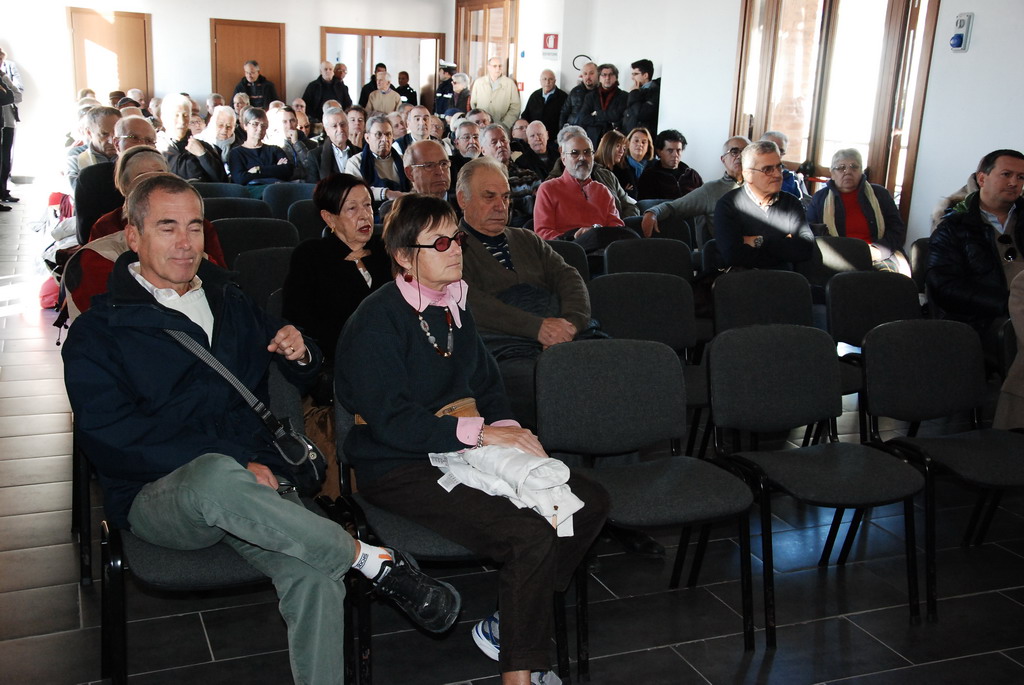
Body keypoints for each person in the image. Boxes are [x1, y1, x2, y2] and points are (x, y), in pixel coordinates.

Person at [63, 173, 462, 685]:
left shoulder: (228, 299)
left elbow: (297, 369)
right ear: (133, 237)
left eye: (194, 227)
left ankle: (348, 586)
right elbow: (112, 439)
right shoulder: (99, 332)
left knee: (315, 574)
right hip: (161, 494)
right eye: (167, 227)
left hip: (258, 484)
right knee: (213, 473)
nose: (185, 243)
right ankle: (369, 560)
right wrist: (234, 463)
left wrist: (302, 351)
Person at [335, 191, 608, 685]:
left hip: (456, 446)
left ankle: (512, 623)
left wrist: (511, 433)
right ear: (404, 257)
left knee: (586, 503)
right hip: (396, 465)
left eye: (457, 237)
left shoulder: (452, 303)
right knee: (528, 533)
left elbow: (487, 385)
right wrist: (482, 434)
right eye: (439, 242)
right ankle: (520, 671)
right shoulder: (376, 320)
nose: (456, 248)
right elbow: (393, 422)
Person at [282, 173, 390, 388]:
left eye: (367, 205)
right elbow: (300, 323)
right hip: (343, 364)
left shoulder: (385, 249)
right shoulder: (311, 256)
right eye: (352, 208)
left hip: (392, 356)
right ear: (329, 217)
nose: (364, 215)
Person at [928, 149, 1024, 351]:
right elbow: (945, 287)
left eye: (1021, 177)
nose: (1014, 183)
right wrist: (1007, 303)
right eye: (1006, 174)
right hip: (983, 320)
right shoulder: (953, 226)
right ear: (982, 178)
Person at [714, 140, 815, 270]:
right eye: (768, 169)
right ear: (748, 175)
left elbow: (806, 247)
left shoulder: (791, 203)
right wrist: (784, 244)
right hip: (743, 279)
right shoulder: (728, 205)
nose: (777, 174)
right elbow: (733, 255)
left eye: (779, 167)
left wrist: (756, 241)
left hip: (784, 279)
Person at [806, 148, 909, 273]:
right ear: (832, 174)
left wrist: (879, 250)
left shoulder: (880, 194)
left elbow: (896, 229)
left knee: (886, 278)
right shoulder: (819, 198)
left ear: (861, 171)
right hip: (836, 255)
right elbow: (811, 232)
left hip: (876, 255)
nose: (848, 171)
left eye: (854, 167)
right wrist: (839, 251)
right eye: (841, 168)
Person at [642, 135, 750, 242]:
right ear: (723, 159)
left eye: (745, 152)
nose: (740, 156)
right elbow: (674, 207)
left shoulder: (757, 187)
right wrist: (653, 213)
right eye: (734, 152)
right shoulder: (711, 190)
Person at [533, 127, 625, 244]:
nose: (582, 158)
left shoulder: (603, 190)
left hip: (602, 249)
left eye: (587, 152)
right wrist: (575, 238)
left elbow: (617, 228)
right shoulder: (548, 189)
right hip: (565, 250)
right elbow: (543, 233)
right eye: (575, 153)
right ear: (563, 158)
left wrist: (597, 235)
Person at [479, 124, 540, 227]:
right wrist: (526, 203)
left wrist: (512, 203)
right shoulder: (479, 180)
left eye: (504, 140)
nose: (500, 145)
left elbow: (542, 207)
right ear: (483, 150)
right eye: (494, 142)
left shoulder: (529, 176)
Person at [159, 93, 228, 183]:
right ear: (164, 117)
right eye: (176, 115)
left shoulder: (204, 146)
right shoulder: (156, 148)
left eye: (186, 115)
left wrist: (203, 155)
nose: (182, 121)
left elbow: (223, 182)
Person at [345, 114, 410, 204]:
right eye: (378, 134)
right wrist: (386, 193)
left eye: (388, 134)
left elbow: (415, 186)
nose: (384, 139)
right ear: (367, 138)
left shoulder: (404, 160)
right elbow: (354, 191)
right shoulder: (355, 162)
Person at [227, 107, 293, 187]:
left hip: (276, 191)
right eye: (255, 124)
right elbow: (240, 179)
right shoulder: (236, 153)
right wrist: (275, 169)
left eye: (263, 125)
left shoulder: (275, 150)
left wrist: (258, 169)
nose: (260, 129)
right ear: (245, 126)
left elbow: (288, 171)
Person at [637, 129, 703, 201]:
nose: (675, 155)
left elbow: (705, 199)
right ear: (659, 152)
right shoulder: (649, 176)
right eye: (670, 150)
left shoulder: (692, 175)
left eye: (678, 150)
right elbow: (644, 204)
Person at [67, 106, 121, 190]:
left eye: (116, 134)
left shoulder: (129, 153)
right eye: (104, 134)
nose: (111, 141)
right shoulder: (77, 156)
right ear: (89, 133)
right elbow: (77, 190)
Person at [578, 64, 627, 147]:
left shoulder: (624, 96)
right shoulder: (590, 96)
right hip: (593, 140)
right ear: (599, 78)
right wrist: (607, 120)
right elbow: (583, 118)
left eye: (611, 74)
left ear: (616, 77)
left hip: (613, 140)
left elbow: (618, 116)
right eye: (604, 75)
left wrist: (598, 114)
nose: (607, 78)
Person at [760, 131, 811, 205]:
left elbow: (804, 205)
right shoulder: (748, 174)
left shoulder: (793, 179)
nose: (776, 153)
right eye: (771, 148)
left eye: (780, 150)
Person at [0, 46, 23, 206]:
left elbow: (17, 95)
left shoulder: (4, 74)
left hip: (8, 122)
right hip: (3, 123)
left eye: (2, 59)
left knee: (6, 160)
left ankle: (3, 191)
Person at [470, 57, 521, 129]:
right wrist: (479, 121)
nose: (498, 69)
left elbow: (515, 107)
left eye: (500, 66)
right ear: (488, 67)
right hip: (481, 126)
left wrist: (505, 124)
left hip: (502, 126)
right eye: (494, 66)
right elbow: (473, 104)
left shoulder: (510, 83)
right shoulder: (479, 83)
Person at [268, 106, 315, 182]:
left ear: (296, 122)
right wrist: (278, 168)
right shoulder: (272, 148)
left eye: (292, 121)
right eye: (284, 122)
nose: (289, 126)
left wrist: (296, 143)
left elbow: (312, 167)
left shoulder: (312, 144)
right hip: (286, 186)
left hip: (308, 185)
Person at [312, 106, 359, 181]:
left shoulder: (359, 152)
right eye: (334, 126)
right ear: (326, 130)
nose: (340, 129)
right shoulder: (315, 157)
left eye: (343, 124)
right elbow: (313, 187)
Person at [520, 69, 567, 140]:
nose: (547, 82)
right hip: (534, 137)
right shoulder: (535, 96)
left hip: (553, 138)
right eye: (544, 79)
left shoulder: (563, 97)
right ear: (540, 81)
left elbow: (565, 120)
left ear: (555, 81)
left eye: (550, 79)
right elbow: (526, 115)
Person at [622, 59, 660, 135]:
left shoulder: (655, 91)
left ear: (645, 75)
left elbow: (641, 114)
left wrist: (633, 93)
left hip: (643, 137)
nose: (632, 78)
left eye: (635, 74)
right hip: (630, 136)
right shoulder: (637, 90)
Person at [595, 129, 634, 197]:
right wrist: (624, 193)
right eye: (618, 146)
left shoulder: (623, 168)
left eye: (624, 148)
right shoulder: (595, 169)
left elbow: (633, 192)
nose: (621, 151)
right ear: (607, 146)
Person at [559, 61, 598, 129]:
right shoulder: (575, 91)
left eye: (591, 73)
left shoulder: (602, 93)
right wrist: (562, 131)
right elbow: (564, 112)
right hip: (572, 131)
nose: (588, 77)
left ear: (598, 74)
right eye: (585, 74)